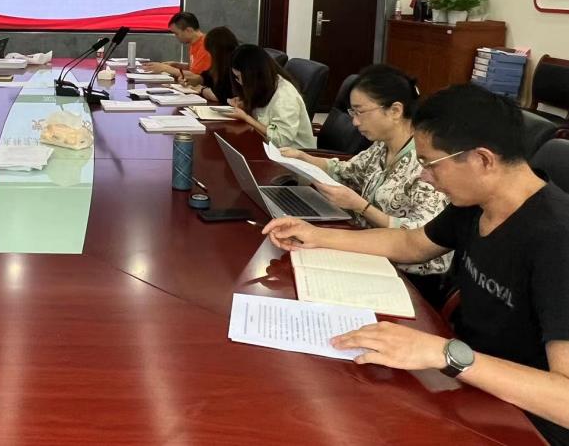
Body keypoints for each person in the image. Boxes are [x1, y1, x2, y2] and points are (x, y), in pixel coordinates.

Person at [262, 84, 569, 445]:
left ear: (483, 160)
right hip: (469, 382)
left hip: (527, 421)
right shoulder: (476, 202)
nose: (424, 177)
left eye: (430, 165)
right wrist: (316, 236)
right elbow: (411, 243)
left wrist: (442, 353)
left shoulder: (557, 240)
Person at [279, 65, 450, 304]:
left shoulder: (427, 162)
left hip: (409, 274)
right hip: (369, 250)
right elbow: (346, 171)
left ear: (395, 110)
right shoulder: (382, 146)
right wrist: (304, 158)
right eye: (352, 112)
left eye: (360, 112)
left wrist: (361, 206)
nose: (355, 122)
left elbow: (418, 235)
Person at [223, 44, 316, 148]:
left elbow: (280, 140)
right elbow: (264, 115)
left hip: (293, 154)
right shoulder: (266, 85)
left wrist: (247, 118)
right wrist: (245, 105)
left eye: (239, 77)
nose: (239, 82)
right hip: (267, 146)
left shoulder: (284, 96)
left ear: (253, 74)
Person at [143, 11, 210, 83]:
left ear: (188, 30)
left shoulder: (205, 46)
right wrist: (176, 64)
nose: (176, 37)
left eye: (176, 33)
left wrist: (165, 68)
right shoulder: (194, 43)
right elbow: (194, 68)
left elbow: (196, 77)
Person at [186, 26, 239, 104]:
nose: (209, 55)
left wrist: (201, 89)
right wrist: (198, 79)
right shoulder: (221, 64)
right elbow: (208, 76)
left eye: (209, 52)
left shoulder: (233, 65)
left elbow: (218, 95)